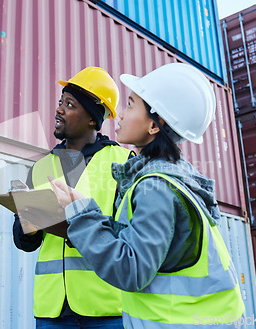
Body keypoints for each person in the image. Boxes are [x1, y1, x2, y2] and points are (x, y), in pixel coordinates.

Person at [50, 63, 246, 328]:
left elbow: (131, 269)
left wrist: (81, 214)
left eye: (130, 105)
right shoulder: (173, 178)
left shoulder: (157, 187)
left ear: (154, 126)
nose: (119, 115)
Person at [12, 67, 133, 328]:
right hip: (52, 310)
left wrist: (82, 228)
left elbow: (133, 234)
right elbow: (25, 243)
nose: (59, 110)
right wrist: (28, 225)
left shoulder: (123, 163)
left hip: (106, 308)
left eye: (70, 104)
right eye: (60, 102)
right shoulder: (41, 167)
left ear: (92, 119)